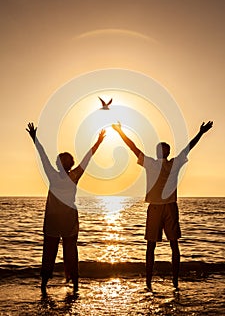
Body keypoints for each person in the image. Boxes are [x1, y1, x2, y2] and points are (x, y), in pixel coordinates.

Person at [112, 121, 213, 290]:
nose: (162, 150)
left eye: (164, 148)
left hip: (169, 207)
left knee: (173, 244)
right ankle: (149, 281)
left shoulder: (173, 163)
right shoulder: (150, 163)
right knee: (151, 245)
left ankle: (174, 281)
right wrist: (120, 132)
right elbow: (133, 147)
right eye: (160, 148)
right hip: (156, 207)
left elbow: (189, 147)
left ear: (167, 152)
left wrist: (201, 133)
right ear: (158, 152)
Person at [26, 122, 105, 294]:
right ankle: (70, 285)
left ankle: (46, 286)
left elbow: (43, 156)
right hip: (66, 220)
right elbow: (87, 158)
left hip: (56, 220)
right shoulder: (73, 175)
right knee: (67, 253)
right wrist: (98, 142)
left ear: (60, 164)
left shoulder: (54, 175)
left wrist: (35, 139)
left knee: (52, 253)